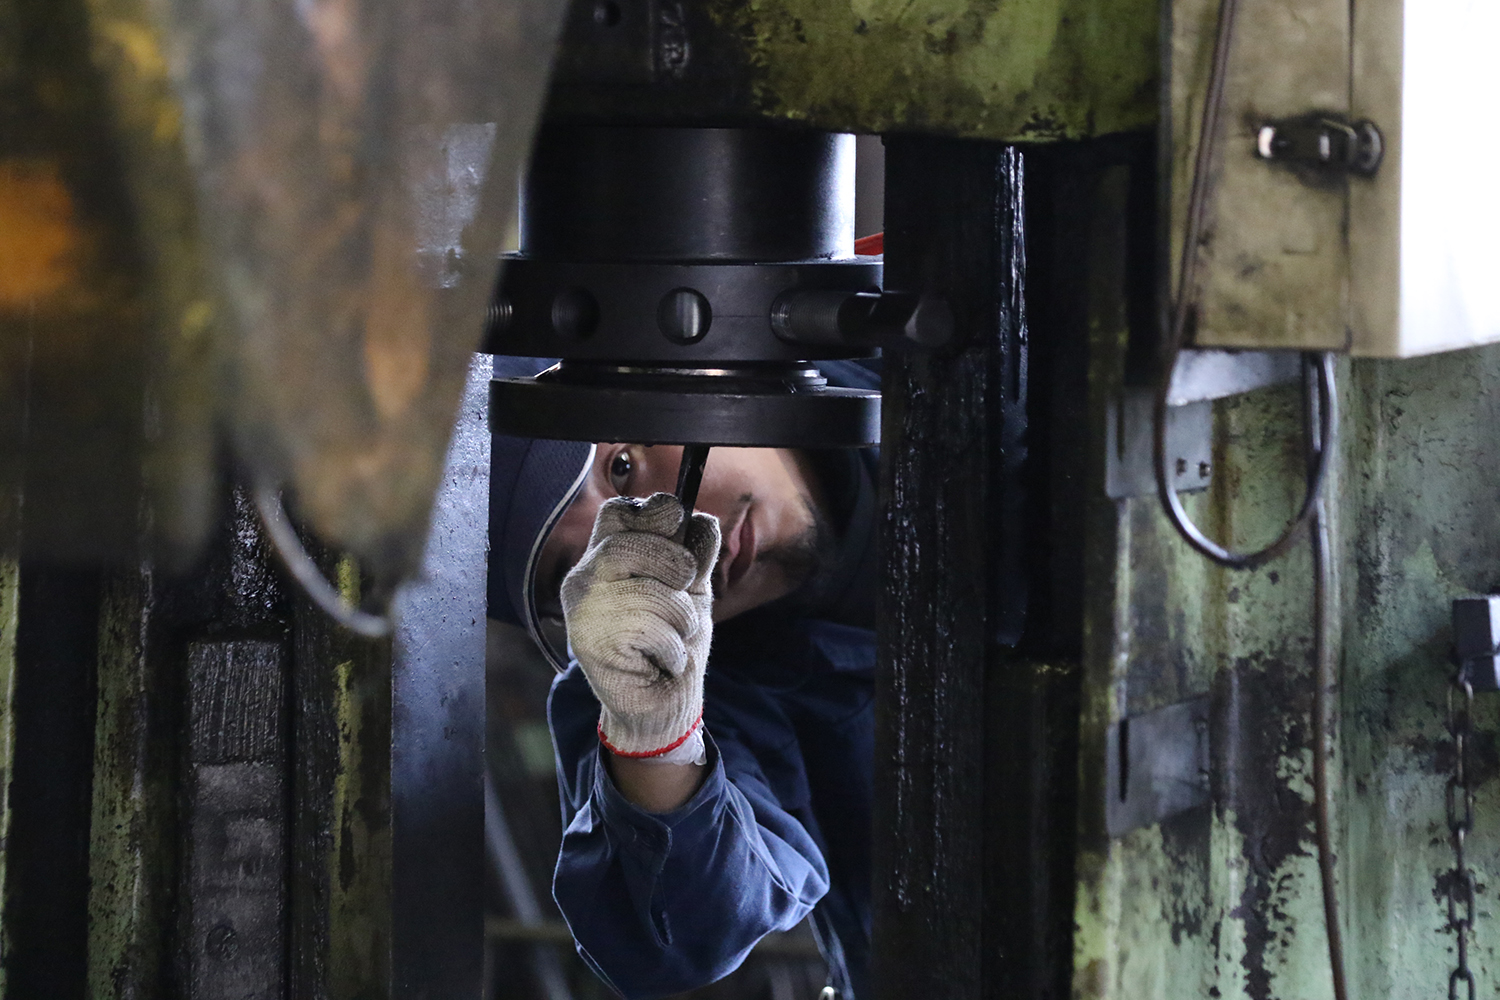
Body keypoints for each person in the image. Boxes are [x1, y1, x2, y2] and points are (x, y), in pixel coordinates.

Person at [489, 357, 880, 1000]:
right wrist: (656, 740)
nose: (662, 550)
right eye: (584, 562)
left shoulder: (960, 365)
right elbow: (673, 937)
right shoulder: (657, 689)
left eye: (621, 468)